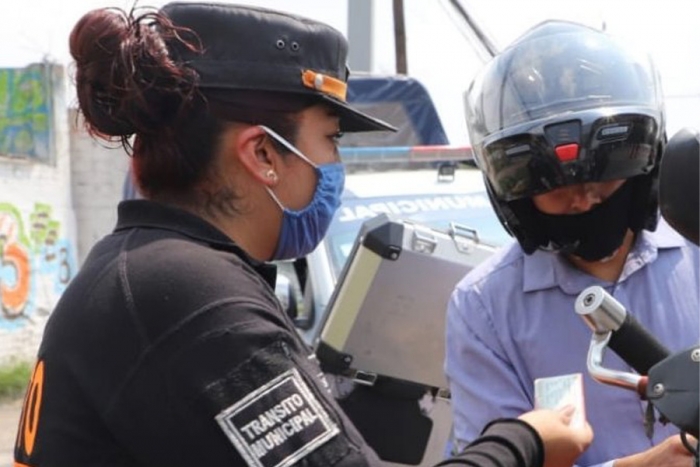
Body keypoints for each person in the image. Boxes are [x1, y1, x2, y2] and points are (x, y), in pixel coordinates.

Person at [13, 3, 591, 466]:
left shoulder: (146, 270)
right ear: (263, 153)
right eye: (332, 140)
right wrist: (526, 442)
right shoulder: (193, 298)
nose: (336, 165)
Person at [446, 19, 699, 467]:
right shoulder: (484, 307)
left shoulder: (696, 246)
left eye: (603, 178)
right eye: (555, 188)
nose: (583, 199)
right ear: (516, 194)